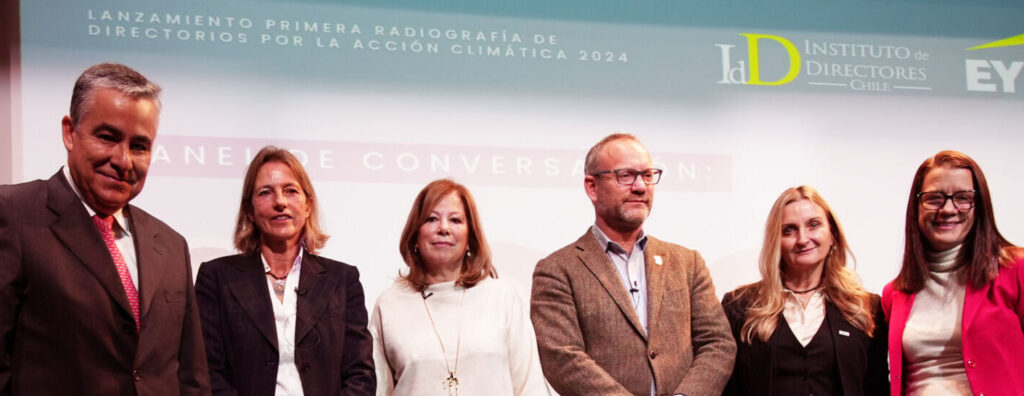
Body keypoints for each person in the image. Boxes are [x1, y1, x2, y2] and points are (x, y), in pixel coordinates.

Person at [0, 63, 211, 395]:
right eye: (107, 137)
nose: (124, 160)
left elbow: (191, 377)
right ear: (70, 132)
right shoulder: (12, 214)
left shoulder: (170, 245)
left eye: (139, 146)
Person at [530, 133, 735, 396]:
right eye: (626, 175)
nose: (640, 186)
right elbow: (562, 357)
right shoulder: (558, 270)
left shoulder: (687, 263)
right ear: (592, 187)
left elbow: (717, 343)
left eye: (648, 175)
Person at [195, 146, 375, 396]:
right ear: (250, 211)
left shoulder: (343, 280)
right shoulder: (216, 278)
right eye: (266, 193)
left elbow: (360, 375)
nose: (280, 202)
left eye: (290, 191)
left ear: (308, 205)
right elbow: (207, 372)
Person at [369, 179, 549, 396]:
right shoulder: (390, 304)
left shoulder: (501, 298)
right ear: (415, 235)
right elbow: (377, 390)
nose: (443, 228)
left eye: (455, 220)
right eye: (431, 219)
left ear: (470, 238)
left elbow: (530, 386)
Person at [721, 186, 887, 396]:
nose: (802, 239)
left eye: (813, 225)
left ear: (833, 234)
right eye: (789, 230)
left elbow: (878, 387)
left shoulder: (866, 308)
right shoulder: (740, 306)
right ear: (776, 242)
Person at [882, 150, 1024, 396]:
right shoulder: (894, 293)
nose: (948, 209)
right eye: (934, 198)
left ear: (979, 206)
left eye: (962, 197)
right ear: (916, 207)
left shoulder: (1015, 270)